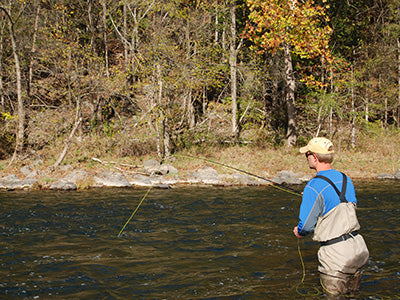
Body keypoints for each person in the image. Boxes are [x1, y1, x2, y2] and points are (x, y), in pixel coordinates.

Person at [293, 137, 369, 297]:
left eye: (307, 153)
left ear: (314, 157)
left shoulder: (313, 187)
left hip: (336, 256)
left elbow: (306, 226)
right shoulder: (345, 178)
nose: (306, 157)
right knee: (352, 296)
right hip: (359, 248)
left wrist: (299, 231)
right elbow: (348, 204)